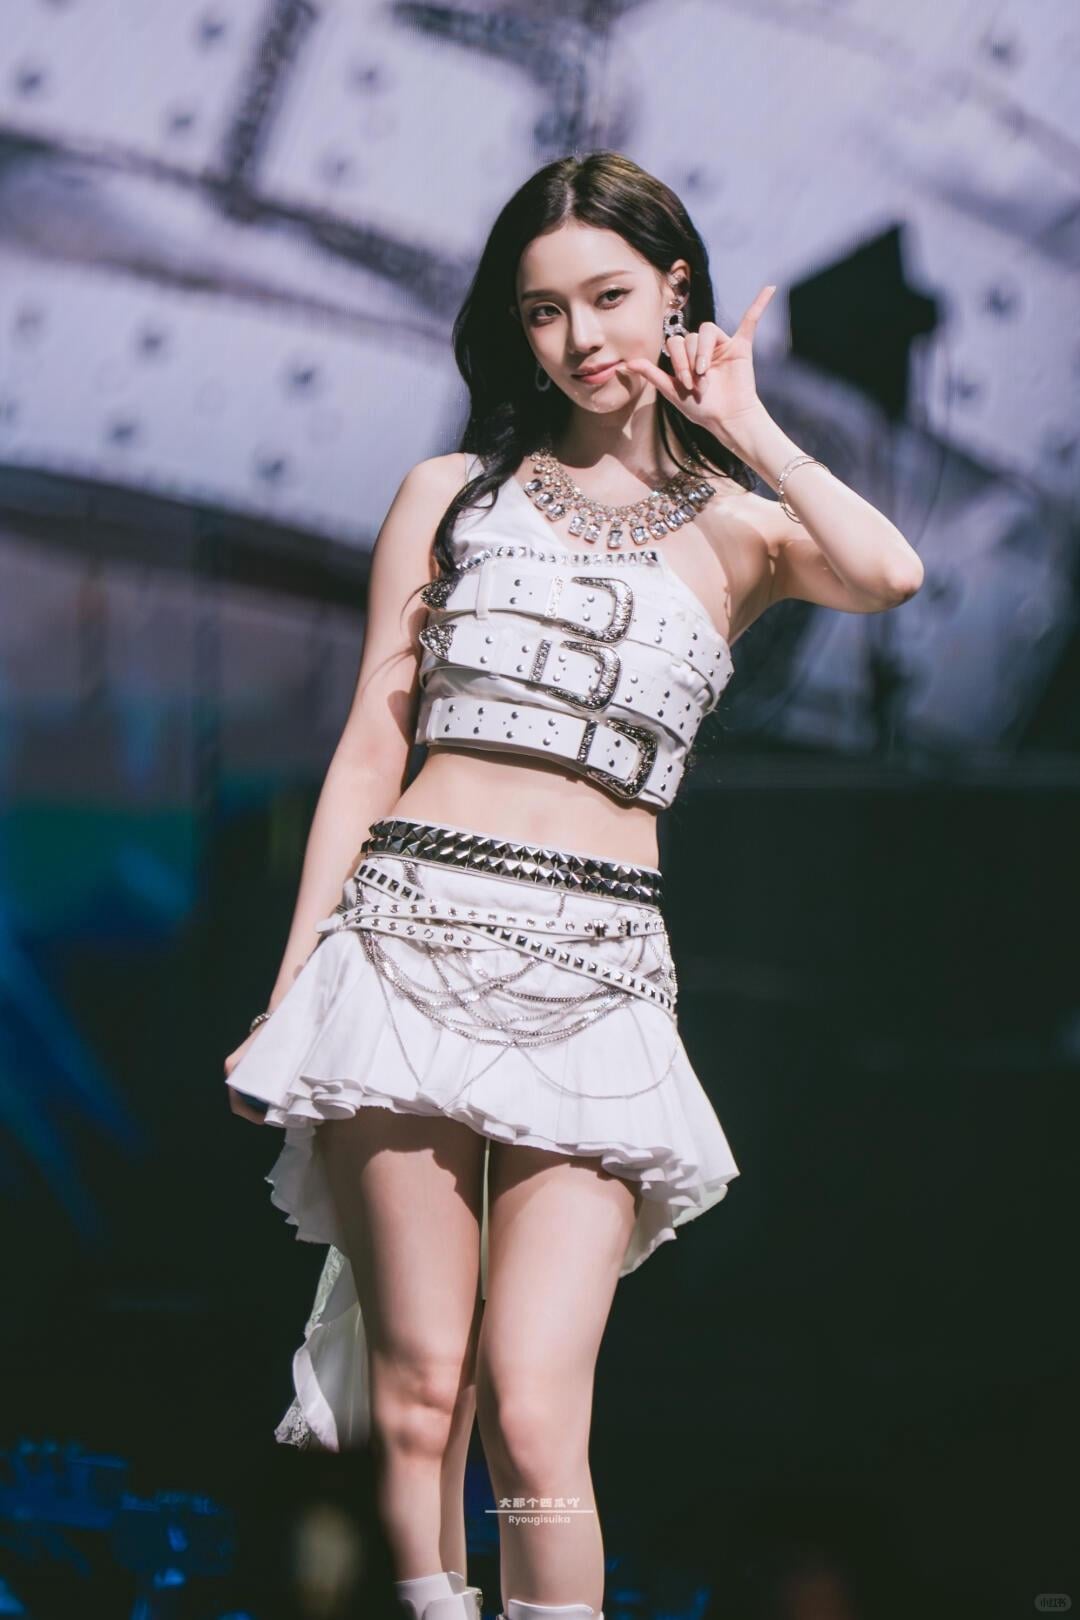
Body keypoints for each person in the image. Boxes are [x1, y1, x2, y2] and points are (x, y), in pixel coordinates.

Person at [223, 150, 924, 1620]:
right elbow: (369, 747)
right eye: (543, 312)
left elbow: (888, 574)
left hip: (597, 979)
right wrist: (293, 992)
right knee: (423, 1391)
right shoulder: (451, 496)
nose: (580, 339)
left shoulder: (741, 528)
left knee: (536, 1414)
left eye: (609, 297)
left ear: (677, 290)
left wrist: (746, 420)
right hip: (406, 951)